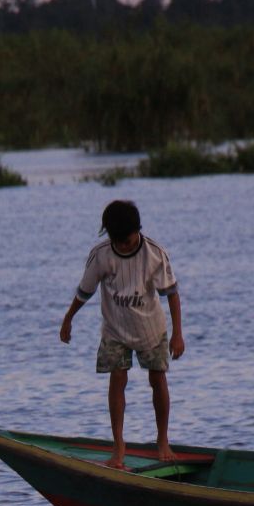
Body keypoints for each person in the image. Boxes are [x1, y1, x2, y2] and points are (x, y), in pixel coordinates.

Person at [60, 200, 184, 468]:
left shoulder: (154, 254)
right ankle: (119, 446)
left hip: (151, 328)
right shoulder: (101, 255)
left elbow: (171, 294)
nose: (124, 246)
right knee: (117, 378)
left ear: (137, 230)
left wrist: (178, 334)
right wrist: (68, 318)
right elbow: (85, 291)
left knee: (157, 379)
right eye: (118, 241)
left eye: (127, 240)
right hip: (115, 329)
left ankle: (162, 440)